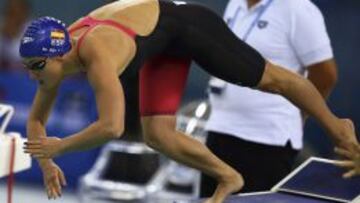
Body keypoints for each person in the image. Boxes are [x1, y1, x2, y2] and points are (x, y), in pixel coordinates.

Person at [20, 0, 357, 202]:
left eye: (36, 68)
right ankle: (229, 176)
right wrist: (48, 164)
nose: (33, 76)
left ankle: (338, 127)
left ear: (58, 54)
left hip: (187, 26)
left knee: (274, 80)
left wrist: (60, 147)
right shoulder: (52, 65)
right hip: (157, 45)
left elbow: (111, 126)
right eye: (29, 69)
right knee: (158, 136)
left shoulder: (97, 52)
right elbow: (36, 122)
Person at [201, 0, 339, 195]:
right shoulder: (235, 3)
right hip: (219, 129)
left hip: (266, 138)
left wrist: (300, 113)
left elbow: (326, 75)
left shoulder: (297, 8)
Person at [0, 0, 31, 71]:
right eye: (10, 11)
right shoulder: (2, 26)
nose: (13, 16)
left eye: (15, 12)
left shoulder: (34, 30)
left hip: (23, 75)